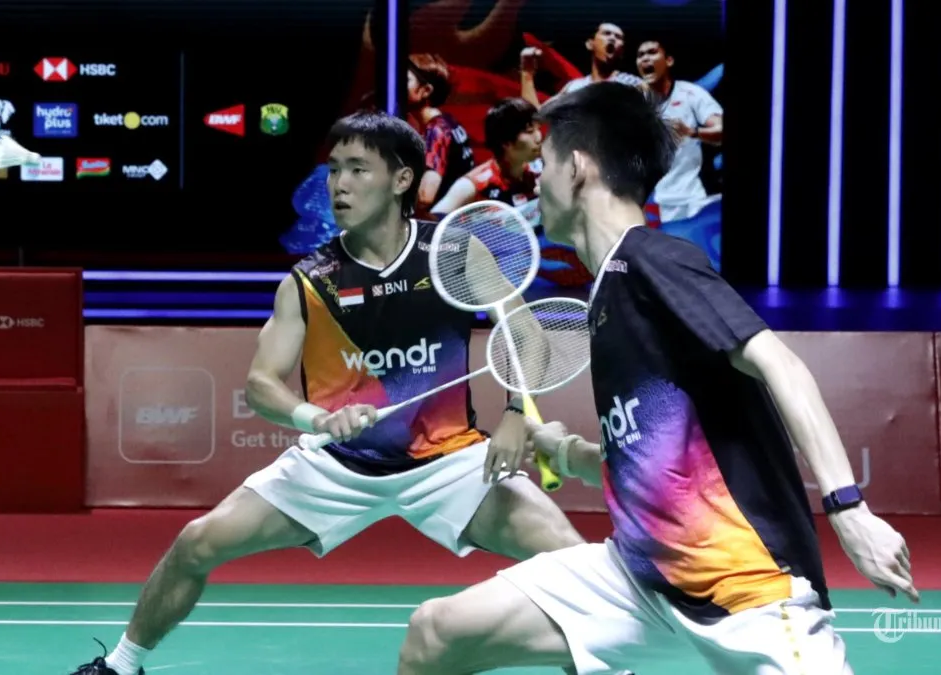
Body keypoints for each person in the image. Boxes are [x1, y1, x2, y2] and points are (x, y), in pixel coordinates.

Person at [395, 83, 919, 675]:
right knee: (436, 633)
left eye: (546, 160)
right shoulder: (607, 293)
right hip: (639, 580)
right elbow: (654, 460)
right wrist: (565, 453)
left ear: (578, 167)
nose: (536, 178)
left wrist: (849, 510)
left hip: (746, 589)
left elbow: (782, 366)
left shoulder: (651, 259)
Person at [67, 111, 585, 675]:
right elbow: (261, 384)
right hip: (337, 465)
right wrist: (316, 418)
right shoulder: (312, 280)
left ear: (402, 179)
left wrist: (515, 411)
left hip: (449, 459)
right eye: (335, 169)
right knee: (197, 542)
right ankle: (120, 665)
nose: (339, 184)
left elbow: (525, 335)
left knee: (570, 559)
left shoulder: (452, 253)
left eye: (358, 169)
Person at [635, 38, 723, 225]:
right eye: (640, 55)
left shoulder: (690, 93)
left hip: (692, 201)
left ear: (669, 61)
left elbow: (722, 130)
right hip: (653, 207)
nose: (645, 58)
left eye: (652, 52)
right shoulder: (634, 104)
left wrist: (691, 132)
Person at [430, 97, 542, 216]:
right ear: (506, 142)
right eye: (530, 131)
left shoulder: (540, 170)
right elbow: (432, 221)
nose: (539, 137)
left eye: (538, 129)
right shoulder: (474, 185)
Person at [405, 54, 476, 215]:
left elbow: (425, 197)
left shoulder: (437, 132)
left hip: (448, 222)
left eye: (405, 81)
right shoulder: (447, 121)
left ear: (426, 91)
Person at [520, 22, 645, 108]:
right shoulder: (574, 88)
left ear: (621, 52)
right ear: (590, 44)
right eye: (606, 33)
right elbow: (535, 117)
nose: (612, 38)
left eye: (618, 37)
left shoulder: (633, 85)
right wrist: (527, 74)